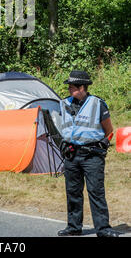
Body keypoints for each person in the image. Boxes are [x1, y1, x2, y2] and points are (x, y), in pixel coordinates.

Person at [57, 70, 119, 237]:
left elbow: (109, 129)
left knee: (96, 192)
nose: (69, 89)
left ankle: (103, 228)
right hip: (71, 155)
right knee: (73, 192)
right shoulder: (64, 104)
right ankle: (73, 227)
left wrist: (103, 144)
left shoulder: (98, 104)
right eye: (69, 87)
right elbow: (64, 127)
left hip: (92, 155)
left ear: (82, 87)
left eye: (72, 87)